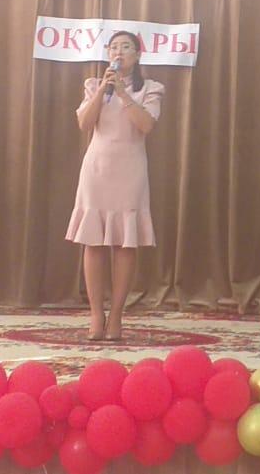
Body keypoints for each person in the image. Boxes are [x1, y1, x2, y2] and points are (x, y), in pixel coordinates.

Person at [68, 31, 163, 341]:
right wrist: (103, 90)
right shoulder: (94, 85)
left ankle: (117, 316)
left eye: (126, 47)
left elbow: (145, 125)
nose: (119, 52)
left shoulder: (150, 88)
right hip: (97, 168)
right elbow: (84, 124)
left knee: (125, 242)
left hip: (130, 170)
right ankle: (96, 315)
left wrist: (123, 93)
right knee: (93, 241)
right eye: (114, 47)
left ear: (137, 55)